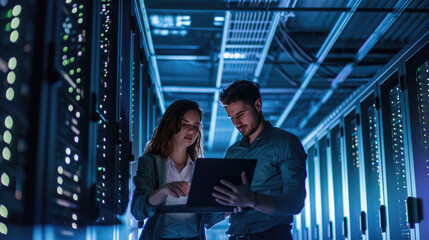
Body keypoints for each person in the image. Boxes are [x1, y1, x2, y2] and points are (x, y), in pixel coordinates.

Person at [212, 80, 307, 240]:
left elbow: (295, 203)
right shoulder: (233, 152)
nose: (236, 123)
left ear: (258, 105)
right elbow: (229, 200)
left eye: (241, 115)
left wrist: (252, 200)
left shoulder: (286, 143)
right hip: (236, 236)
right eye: (232, 118)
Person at [131, 100, 224, 240]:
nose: (191, 131)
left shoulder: (201, 169)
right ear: (170, 125)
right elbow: (138, 211)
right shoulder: (150, 163)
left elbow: (208, 219)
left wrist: (231, 207)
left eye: (195, 126)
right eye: (184, 124)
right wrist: (163, 191)